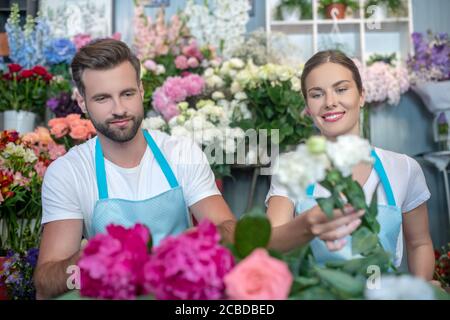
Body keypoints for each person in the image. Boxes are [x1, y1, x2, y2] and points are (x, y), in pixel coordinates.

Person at [33, 39, 237, 299]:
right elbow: (46, 283)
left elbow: (229, 227)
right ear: (83, 103)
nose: (119, 109)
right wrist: (91, 259)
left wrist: (188, 246)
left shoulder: (181, 153)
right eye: (102, 98)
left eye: (127, 94)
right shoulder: (68, 172)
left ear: (141, 91)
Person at [266, 50, 435, 281]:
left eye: (341, 89)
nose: (330, 102)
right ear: (307, 106)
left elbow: (419, 243)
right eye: (317, 94)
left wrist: (420, 289)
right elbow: (271, 242)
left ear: (362, 95)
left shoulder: (403, 168)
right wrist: (306, 225)